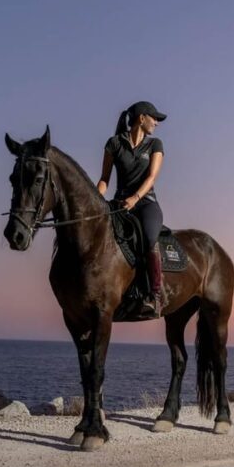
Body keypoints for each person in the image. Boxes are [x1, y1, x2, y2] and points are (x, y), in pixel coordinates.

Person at [98, 101, 167, 316]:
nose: (156, 122)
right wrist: (93, 201)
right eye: (154, 118)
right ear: (141, 118)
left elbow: (151, 177)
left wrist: (135, 198)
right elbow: (104, 180)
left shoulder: (155, 144)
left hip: (146, 202)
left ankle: (155, 295)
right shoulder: (114, 143)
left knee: (148, 237)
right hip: (119, 204)